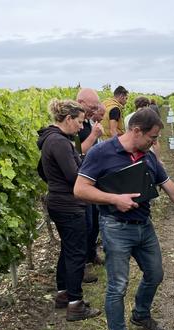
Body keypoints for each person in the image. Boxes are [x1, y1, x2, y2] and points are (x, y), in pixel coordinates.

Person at [74, 108, 174, 330]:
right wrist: (115, 199)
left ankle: (140, 313)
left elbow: (173, 191)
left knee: (155, 274)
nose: (154, 143)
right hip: (115, 227)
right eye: (152, 137)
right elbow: (80, 189)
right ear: (136, 130)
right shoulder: (101, 153)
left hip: (143, 226)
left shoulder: (148, 158)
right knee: (117, 286)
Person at [37, 99, 101, 322]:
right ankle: (75, 304)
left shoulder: (51, 140)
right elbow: (75, 176)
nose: (82, 128)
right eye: (80, 122)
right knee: (75, 254)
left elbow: (43, 172)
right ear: (68, 119)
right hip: (69, 205)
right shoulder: (60, 142)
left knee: (68, 249)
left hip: (59, 201)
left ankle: (63, 294)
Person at [76, 88, 105, 268]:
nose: (94, 111)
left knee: (94, 220)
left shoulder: (87, 122)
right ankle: (83, 263)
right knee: (85, 224)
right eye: (92, 107)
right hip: (82, 181)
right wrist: (94, 135)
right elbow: (76, 152)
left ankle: (91, 254)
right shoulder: (74, 125)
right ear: (81, 103)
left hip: (94, 178)